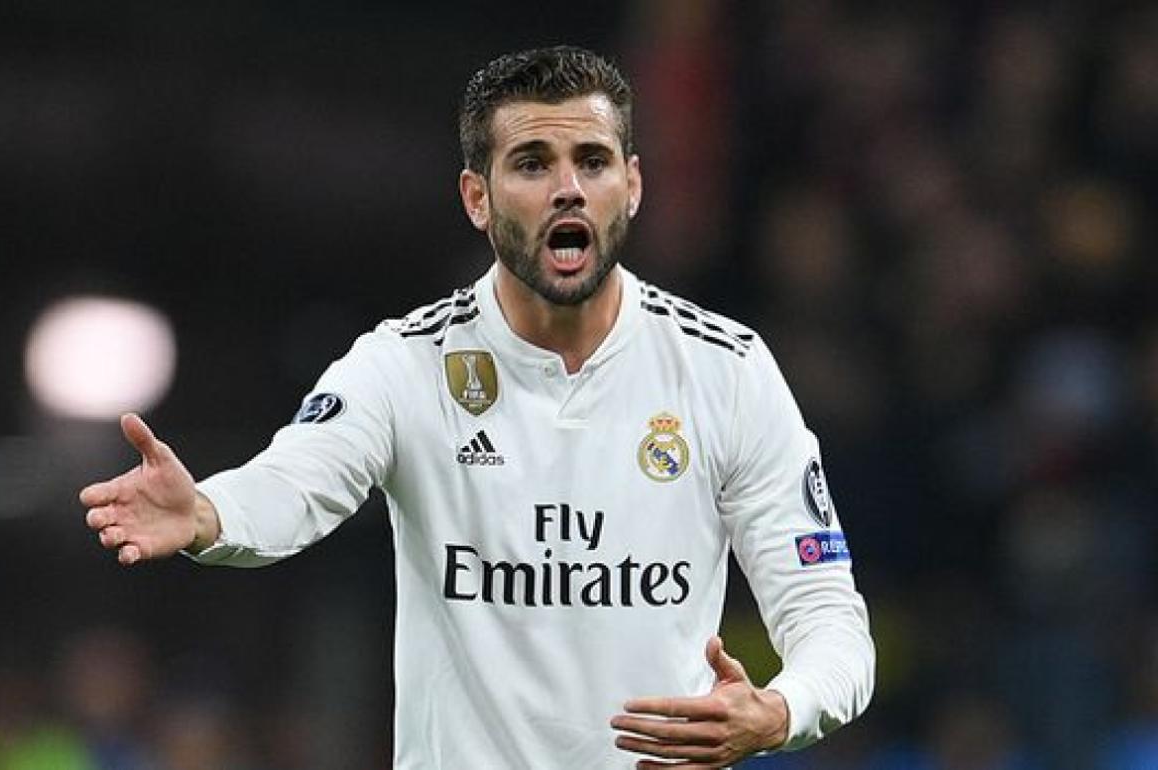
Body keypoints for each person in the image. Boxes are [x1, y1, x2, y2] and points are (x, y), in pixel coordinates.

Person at [80, 45, 874, 768]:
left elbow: (829, 616)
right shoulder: (405, 365)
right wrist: (209, 512)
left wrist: (781, 710)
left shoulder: (726, 370)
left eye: (592, 161)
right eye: (532, 163)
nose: (568, 188)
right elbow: (298, 481)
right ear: (477, 197)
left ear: (631, 186)